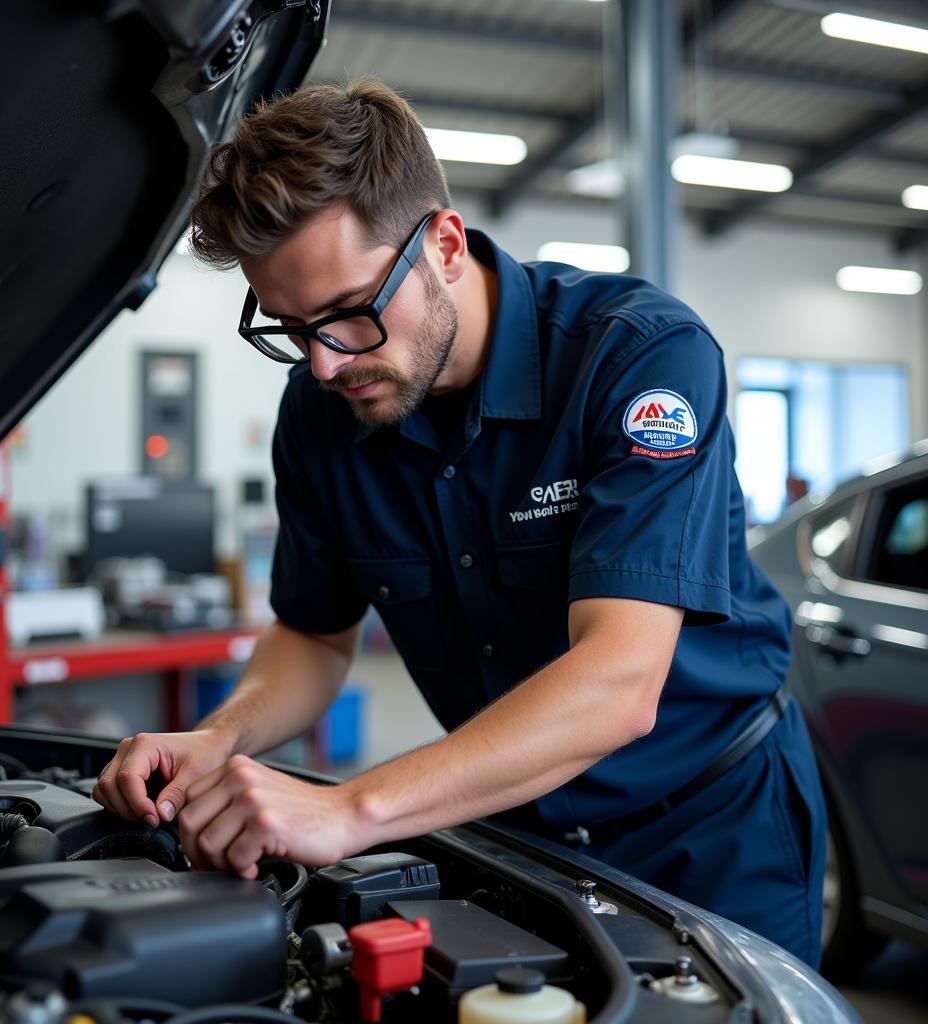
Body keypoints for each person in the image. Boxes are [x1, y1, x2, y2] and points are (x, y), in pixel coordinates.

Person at [93, 79, 826, 966]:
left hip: (710, 830)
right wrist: (221, 738)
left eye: (350, 315)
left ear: (442, 243)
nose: (323, 364)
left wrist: (349, 808)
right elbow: (314, 637)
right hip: (516, 830)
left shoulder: (636, 358)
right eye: (290, 329)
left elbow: (619, 684)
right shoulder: (321, 412)